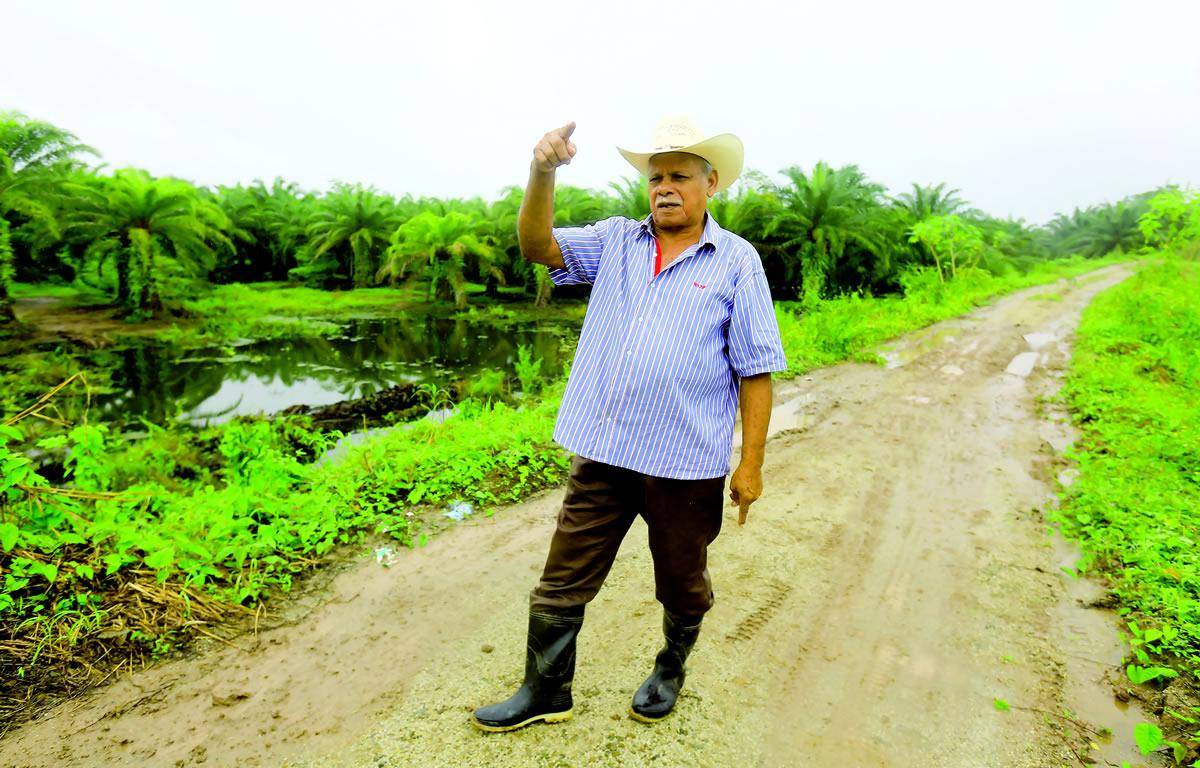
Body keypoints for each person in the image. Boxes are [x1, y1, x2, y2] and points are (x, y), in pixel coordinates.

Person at [471, 115, 787, 732]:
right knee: (562, 578)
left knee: (681, 581)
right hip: (604, 450)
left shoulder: (736, 262)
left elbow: (756, 371)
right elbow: (539, 248)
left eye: (679, 177)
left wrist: (750, 465)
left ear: (710, 184)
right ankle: (545, 690)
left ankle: (671, 665)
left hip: (684, 463)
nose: (664, 187)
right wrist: (542, 171)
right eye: (655, 177)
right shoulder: (617, 240)